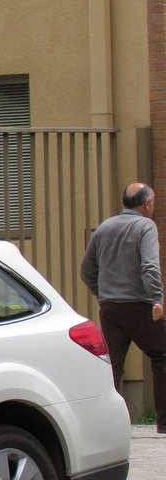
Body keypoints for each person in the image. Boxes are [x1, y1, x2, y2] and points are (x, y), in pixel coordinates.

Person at [81, 182, 166, 432]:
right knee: (162, 357)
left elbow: (87, 271)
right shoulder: (145, 226)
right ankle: (164, 423)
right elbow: (150, 266)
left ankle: (109, 427)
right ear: (147, 203)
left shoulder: (105, 227)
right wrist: (157, 299)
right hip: (140, 306)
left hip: (110, 308)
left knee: (112, 365)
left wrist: (104, 293)